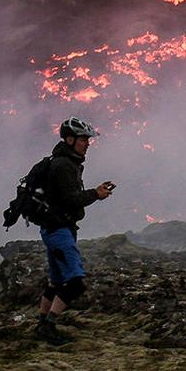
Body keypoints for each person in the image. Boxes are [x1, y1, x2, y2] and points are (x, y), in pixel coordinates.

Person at [34, 117, 115, 345]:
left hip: (56, 229)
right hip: (59, 231)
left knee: (57, 282)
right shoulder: (63, 166)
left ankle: (42, 323)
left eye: (87, 139)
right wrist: (95, 194)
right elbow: (70, 199)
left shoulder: (66, 162)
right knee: (75, 283)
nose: (87, 143)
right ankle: (48, 325)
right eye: (83, 139)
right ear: (70, 140)